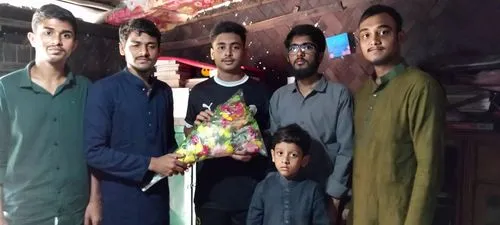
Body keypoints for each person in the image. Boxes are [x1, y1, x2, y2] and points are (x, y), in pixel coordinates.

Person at [0, 4, 101, 225]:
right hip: (22, 212)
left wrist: (95, 201)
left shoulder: (86, 89)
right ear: (32, 38)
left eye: (65, 35)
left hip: (75, 210)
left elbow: (95, 150)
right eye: (48, 32)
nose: (56, 41)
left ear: (74, 44)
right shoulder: (6, 89)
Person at [84, 18, 188, 225]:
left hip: (157, 200)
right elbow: (94, 152)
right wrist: (152, 163)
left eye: (151, 46)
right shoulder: (103, 90)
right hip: (119, 200)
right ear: (122, 48)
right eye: (136, 45)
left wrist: (190, 149)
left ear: (159, 50)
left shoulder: (164, 92)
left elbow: (167, 143)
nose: (144, 53)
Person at [351, 4, 445, 225]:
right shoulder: (363, 93)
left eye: (383, 32)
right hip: (363, 214)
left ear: (400, 37)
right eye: (365, 35)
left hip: (398, 216)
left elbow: (429, 167)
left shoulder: (420, 86)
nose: (373, 40)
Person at [184, 21, 270, 225]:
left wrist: (253, 147)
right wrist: (198, 130)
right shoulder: (199, 92)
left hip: (251, 194)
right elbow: (189, 134)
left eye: (235, 47)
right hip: (210, 194)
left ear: (244, 51)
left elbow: (270, 136)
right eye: (221, 47)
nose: (228, 53)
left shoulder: (260, 91)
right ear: (212, 53)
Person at [269, 24, 354, 222]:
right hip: (289, 196)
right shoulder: (279, 98)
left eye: (307, 47)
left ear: (320, 54)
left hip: (326, 193)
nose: (299, 54)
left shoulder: (339, 95)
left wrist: (334, 196)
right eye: (293, 49)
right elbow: (275, 148)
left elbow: (347, 148)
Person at [247, 124, 330, 225]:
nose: (285, 160)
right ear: (273, 155)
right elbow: (253, 221)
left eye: (293, 155)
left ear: (304, 160)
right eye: (280, 153)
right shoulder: (263, 187)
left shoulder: (313, 190)